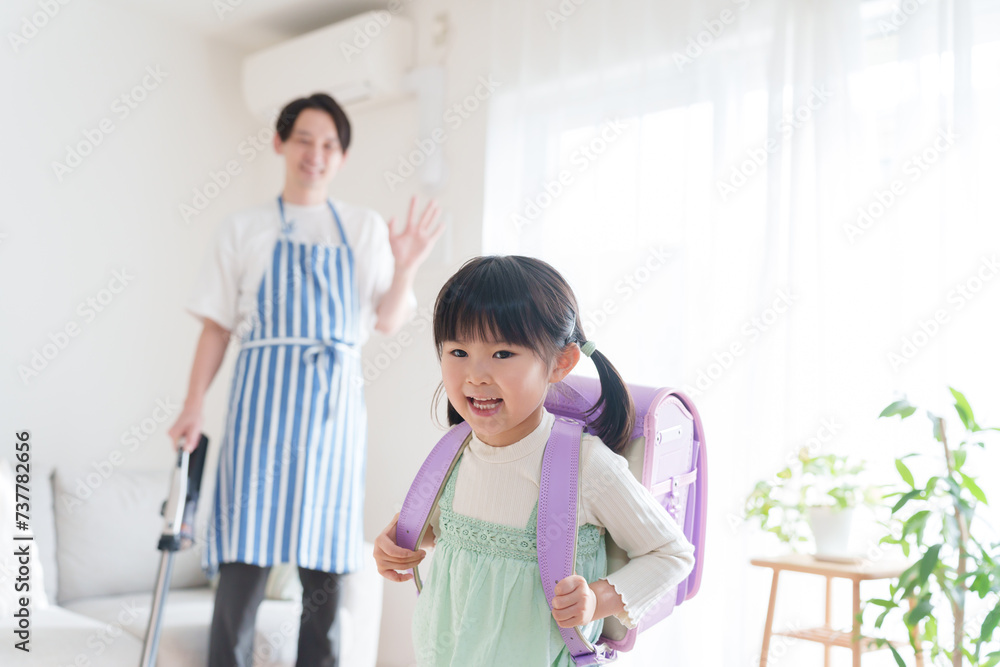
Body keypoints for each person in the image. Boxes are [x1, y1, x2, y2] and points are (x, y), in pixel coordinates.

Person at [169, 92, 443, 667]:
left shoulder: (363, 228)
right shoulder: (243, 228)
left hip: (331, 421)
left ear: (342, 157)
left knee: (325, 578)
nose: (315, 154)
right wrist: (193, 405)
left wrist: (407, 264)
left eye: (329, 145)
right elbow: (217, 327)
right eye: (304, 140)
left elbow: (388, 319)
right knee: (244, 563)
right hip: (258, 417)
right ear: (279, 142)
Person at [373, 256, 696, 666]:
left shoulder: (583, 465)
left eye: (502, 353)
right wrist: (399, 543)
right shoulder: (451, 451)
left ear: (560, 363)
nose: (475, 375)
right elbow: (446, 530)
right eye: (458, 351)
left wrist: (596, 600)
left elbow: (672, 554)